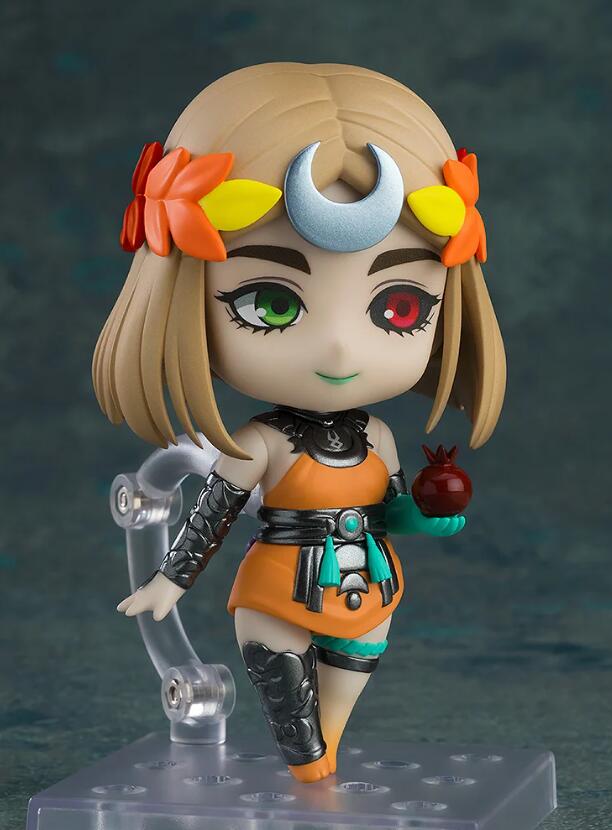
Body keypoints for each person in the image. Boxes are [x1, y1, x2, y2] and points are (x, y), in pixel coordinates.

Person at [93, 62, 506, 783]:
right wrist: (171, 580)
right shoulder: (261, 442)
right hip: (276, 589)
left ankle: (323, 772)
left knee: (336, 716)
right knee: (297, 726)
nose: (340, 348)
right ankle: (313, 772)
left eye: (400, 307)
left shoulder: (378, 438)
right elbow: (215, 509)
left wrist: (427, 514)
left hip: (371, 589)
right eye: (272, 304)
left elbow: (389, 507)